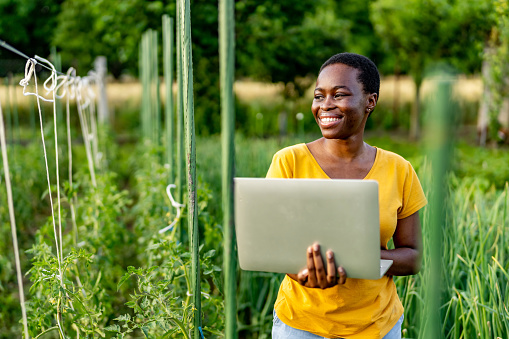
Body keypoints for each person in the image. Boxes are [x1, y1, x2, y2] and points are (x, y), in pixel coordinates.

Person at [267, 53, 427, 339]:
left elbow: (413, 256)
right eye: (319, 96)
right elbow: (273, 245)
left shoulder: (399, 169)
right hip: (301, 324)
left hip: (377, 326)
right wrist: (302, 272)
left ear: (370, 101)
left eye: (339, 94)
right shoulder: (289, 162)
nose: (325, 105)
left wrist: (363, 259)